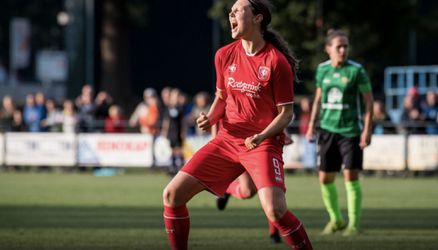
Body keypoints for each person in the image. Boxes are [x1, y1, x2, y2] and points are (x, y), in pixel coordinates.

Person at [162, 1, 313, 249]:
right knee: (171, 195)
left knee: (275, 211)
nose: (230, 13)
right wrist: (211, 117)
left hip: (262, 145)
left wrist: (263, 136)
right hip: (227, 140)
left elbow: (286, 114)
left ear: (258, 18)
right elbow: (222, 97)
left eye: (238, 9)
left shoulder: (276, 62)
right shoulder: (224, 55)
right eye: (230, 10)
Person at [306, 29, 374, 236]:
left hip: (350, 131)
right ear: (328, 49)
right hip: (326, 131)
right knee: (325, 178)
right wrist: (311, 125)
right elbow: (318, 99)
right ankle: (336, 220)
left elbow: (369, 103)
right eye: (339, 46)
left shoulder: (356, 71)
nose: (343, 50)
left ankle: (353, 224)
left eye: (345, 46)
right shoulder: (322, 70)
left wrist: (367, 130)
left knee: (350, 176)